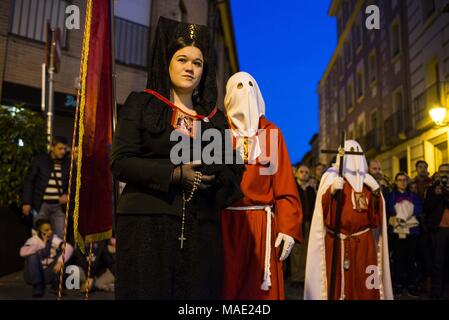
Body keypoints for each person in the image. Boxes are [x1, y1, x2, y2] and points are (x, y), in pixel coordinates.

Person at [111, 17, 243, 299]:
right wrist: (174, 174)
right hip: (146, 224)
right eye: (182, 59)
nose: (190, 68)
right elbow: (121, 162)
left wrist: (220, 177)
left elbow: (231, 172)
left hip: (200, 230)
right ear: (167, 61)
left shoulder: (214, 119)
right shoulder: (142, 103)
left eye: (197, 62)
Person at [220, 72, 302, 300]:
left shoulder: (271, 133)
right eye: (238, 85)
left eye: (250, 85)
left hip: (262, 227)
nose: (245, 90)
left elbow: (284, 185)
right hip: (225, 225)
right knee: (227, 288)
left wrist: (287, 227)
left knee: (260, 292)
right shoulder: (219, 131)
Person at [304, 140, 393, 300]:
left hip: (363, 242)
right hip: (337, 240)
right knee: (337, 282)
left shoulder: (367, 180)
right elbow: (320, 211)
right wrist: (331, 191)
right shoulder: (331, 176)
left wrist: (375, 192)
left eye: (355, 152)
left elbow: (376, 217)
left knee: (365, 281)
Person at [22, 136, 70, 238]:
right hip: (41, 204)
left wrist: (68, 195)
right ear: (52, 147)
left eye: (65, 149)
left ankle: (56, 254)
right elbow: (30, 180)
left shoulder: (67, 163)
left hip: (59, 207)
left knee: (60, 237)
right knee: (39, 236)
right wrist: (26, 202)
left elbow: (73, 183)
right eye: (60, 148)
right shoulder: (41, 160)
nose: (63, 151)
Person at [387, 172, 422, 297]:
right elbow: (390, 209)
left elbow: (418, 210)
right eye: (399, 180)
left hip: (412, 232)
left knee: (411, 259)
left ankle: (411, 285)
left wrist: (403, 212)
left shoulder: (414, 195)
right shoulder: (391, 195)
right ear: (396, 182)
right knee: (398, 259)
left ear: (407, 182)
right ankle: (399, 285)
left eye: (404, 180)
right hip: (397, 232)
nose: (402, 182)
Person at [19, 219, 73, 297]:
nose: (50, 232)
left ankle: (55, 286)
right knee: (32, 256)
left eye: (50, 229)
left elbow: (69, 247)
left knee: (63, 255)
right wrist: (42, 244)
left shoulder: (53, 239)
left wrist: (60, 262)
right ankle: (37, 286)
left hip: (47, 274)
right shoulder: (33, 240)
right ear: (39, 232)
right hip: (32, 275)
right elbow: (22, 252)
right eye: (46, 230)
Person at [424, 163, 449, 299]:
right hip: (439, 230)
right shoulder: (433, 188)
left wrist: (444, 192)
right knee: (438, 263)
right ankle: (436, 293)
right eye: (442, 172)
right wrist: (436, 194)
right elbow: (427, 207)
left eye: (447, 172)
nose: (445, 174)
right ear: (438, 173)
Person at [289, 164, 316, 289]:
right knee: (296, 251)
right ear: (297, 174)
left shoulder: (311, 190)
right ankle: (295, 277)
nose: (304, 174)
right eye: (301, 172)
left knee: (306, 250)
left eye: (306, 172)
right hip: (296, 222)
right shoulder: (293, 188)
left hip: (308, 222)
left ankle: (304, 277)